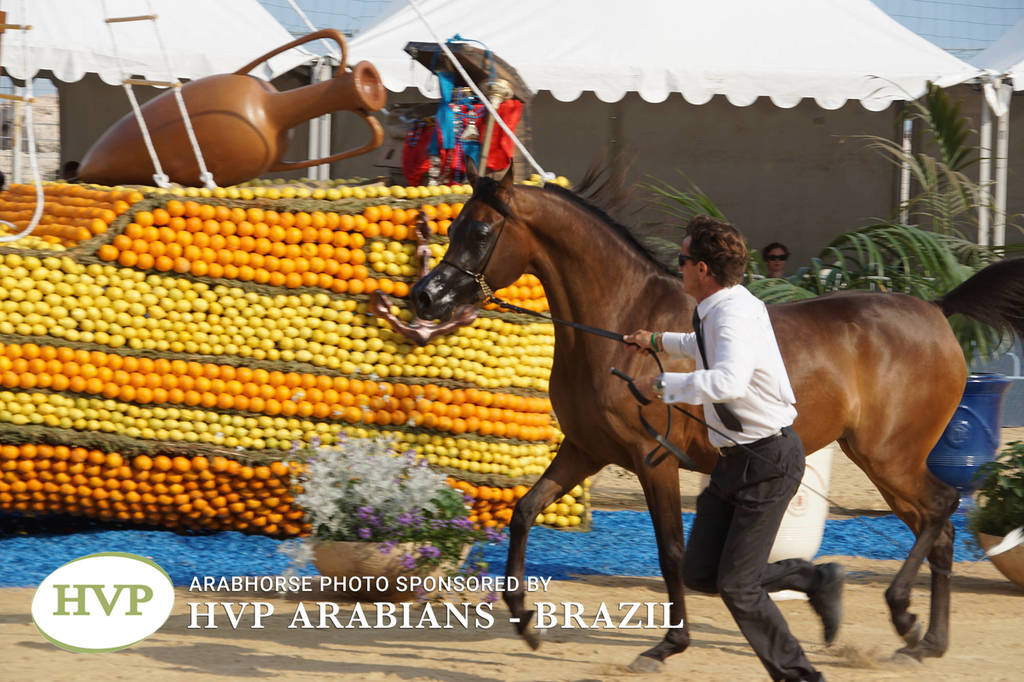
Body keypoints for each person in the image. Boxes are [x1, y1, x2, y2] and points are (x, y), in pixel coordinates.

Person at [623, 215, 843, 682]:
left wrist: (661, 384)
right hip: (732, 463)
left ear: (702, 269)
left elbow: (727, 380)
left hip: (766, 459)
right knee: (701, 574)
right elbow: (703, 347)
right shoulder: (717, 309)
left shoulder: (733, 312)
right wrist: (655, 341)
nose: (676, 267)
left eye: (681, 260)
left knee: (739, 589)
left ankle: (802, 677)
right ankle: (811, 578)